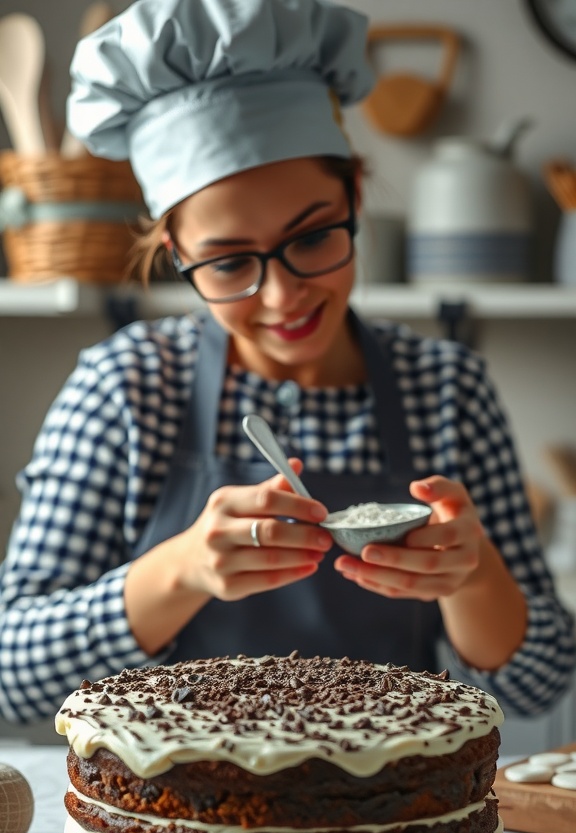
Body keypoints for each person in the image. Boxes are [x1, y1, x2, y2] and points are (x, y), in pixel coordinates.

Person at [0, 0, 574, 725]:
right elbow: (10, 673)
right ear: (178, 254)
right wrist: (181, 570)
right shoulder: (127, 388)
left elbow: (539, 683)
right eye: (230, 262)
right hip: (182, 811)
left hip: (379, 811)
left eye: (310, 239)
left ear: (355, 196)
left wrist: (470, 573)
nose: (281, 295)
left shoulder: (447, 388)